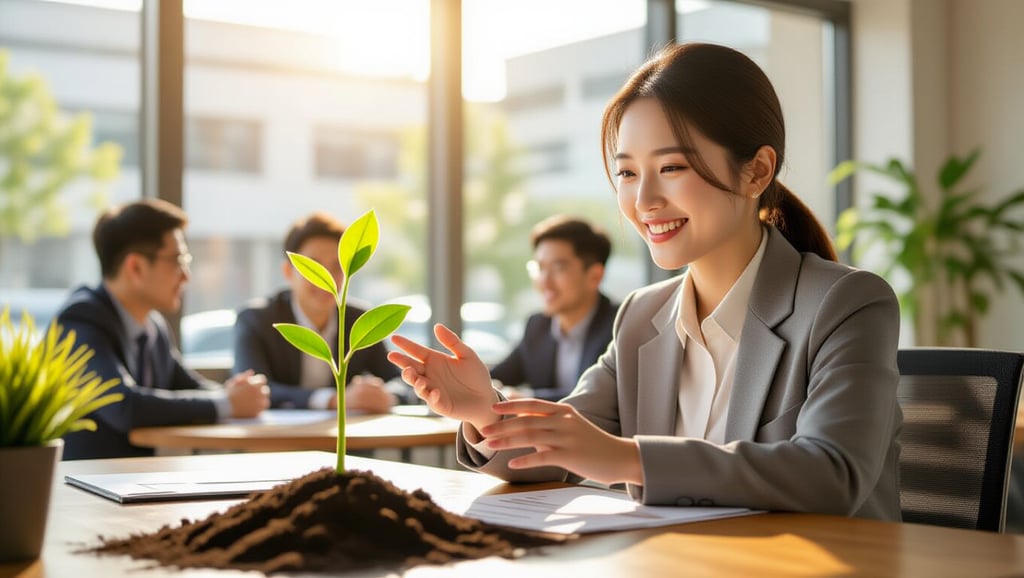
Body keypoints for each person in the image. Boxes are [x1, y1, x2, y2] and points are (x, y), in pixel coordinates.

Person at [388, 42, 903, 519]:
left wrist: (627, 459)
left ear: (756, 171)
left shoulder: (845, 302)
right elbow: (555, 450)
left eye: (672, 167)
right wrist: (485, 411)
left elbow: (832, 475)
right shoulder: (641, 317)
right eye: (628, 174)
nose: (644, 201)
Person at [56, 199, 270, 460]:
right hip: (83, 490)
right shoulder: (81, 320)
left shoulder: (152, 325)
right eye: (177, 260)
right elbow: (124, 406)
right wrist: (227, 403)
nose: (186, 276)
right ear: (135, 267)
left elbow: (186, 385)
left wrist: (235, 394)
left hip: (134, 482)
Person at [233, 211, 402, 413]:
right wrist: (334, 400)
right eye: (314, 268)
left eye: (337, 267)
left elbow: (401, 380)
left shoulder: (359, 321)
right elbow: (254, 391)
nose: (327, 278)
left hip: (347, 441)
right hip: (279, 440)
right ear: (288, 271)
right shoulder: (257, 320)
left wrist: (385, 396)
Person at [490, 215, 618, 401]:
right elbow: (496, 377)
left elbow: (598, 398)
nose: (544, 282)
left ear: (594, 276)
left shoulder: (620, 326)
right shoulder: (538, 325)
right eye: (540, 268)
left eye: (558, 268)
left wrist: (527, 398)